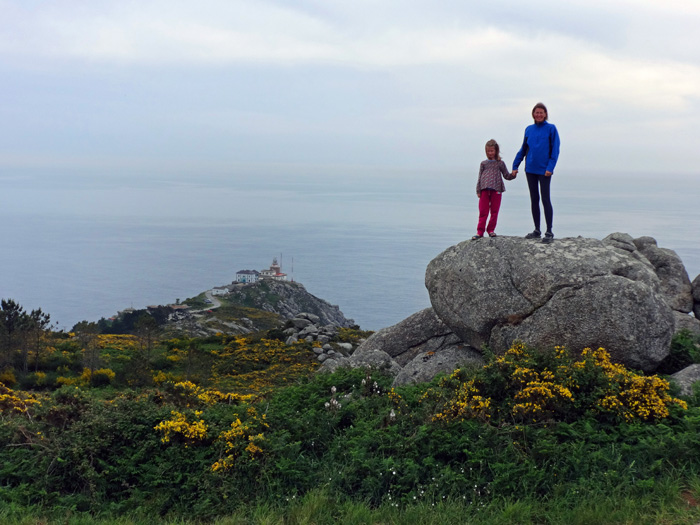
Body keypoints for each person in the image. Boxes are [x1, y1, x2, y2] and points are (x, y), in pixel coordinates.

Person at [511, 102, 561, 244]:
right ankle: (537, 230)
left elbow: (555, 150)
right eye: (536, 112)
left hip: (544, 170)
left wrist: (550, 168)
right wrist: (516, 165)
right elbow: (523, 149)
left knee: (545, 199)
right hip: (530, 169)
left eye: (541, 112)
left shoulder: (551, 129)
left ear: (545, 114)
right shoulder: (529, 129)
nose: (539, 115)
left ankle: (549, 231)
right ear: (533, 114)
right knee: (534, 199)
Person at [472, 139, 515, 240]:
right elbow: (479, 177)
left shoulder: (500, 163)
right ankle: (480, 232)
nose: (490, 153)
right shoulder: (483, 163)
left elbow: (506, 175)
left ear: (496, 151)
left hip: (497, 189)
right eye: (488, 151)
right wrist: (478, 190)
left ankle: (491, 230)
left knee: (494, 211)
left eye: (492, 151)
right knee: (483, 211)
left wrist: (513, 175)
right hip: (484, 189)